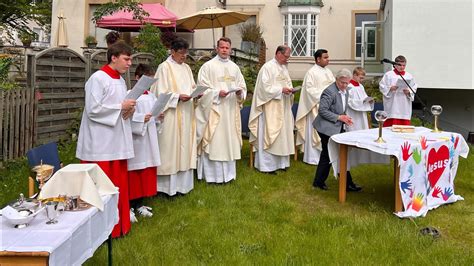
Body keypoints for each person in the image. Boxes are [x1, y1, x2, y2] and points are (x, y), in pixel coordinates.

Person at [76, 41, 135, 238]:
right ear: (114, 58)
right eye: (126, 59)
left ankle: (119, 227)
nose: (129, 64)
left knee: (117, 185)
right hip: (100, 144)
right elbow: (93, 110)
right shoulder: (98, 79)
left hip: (116, 142)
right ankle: (100, 232)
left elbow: (120, 106)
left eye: (130, 59)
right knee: (102, 187)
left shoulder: (120, 80)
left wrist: (129, 109)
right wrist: (121, 107)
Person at [196, 37, 247, 183]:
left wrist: (239, 93)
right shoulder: (208, 67)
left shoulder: (235, 68)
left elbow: (242, 86)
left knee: (228, 141)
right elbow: (202, 89)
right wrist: (217, 93)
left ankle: (228, 175)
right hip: (215, 110)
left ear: (230, 49)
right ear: (217, 49)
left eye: (227, 47)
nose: (225, 50)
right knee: (215, 141)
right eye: (222, 47)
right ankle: (212, 176)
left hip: (230, 110)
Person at [150, 38, 197, 196]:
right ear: (172, 51)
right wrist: (177, 97)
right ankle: (166, 188)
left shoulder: (187, 68)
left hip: (186, 112)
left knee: (184, 147)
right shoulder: (164, 68)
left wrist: (196, 92)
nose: (184, 56)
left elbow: (191, 86)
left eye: (186, 52)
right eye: (181, 53)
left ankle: (183, 186)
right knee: (170, 148)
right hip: (171, 114)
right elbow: (159, 92)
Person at [312, 68, 362, 192]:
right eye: (342, 82)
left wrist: (345, 118)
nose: (344, 85)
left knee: (338, 154)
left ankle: (343, 183)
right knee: (329, 154)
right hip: (325, 127)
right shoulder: (329, 92)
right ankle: (322, 182)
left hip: (337, 126)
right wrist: (340, 117)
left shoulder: (346, 90)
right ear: (336, 79)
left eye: (347, 83)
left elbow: (341, 108)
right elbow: (322, 111)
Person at [248, 45, 295, 173]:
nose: (287, 59)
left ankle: (281, 163)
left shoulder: (284, 69)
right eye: (286, 56)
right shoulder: (267, 68)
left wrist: (290, 90)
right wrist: (281, 90)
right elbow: (264, 89)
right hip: (270, 108)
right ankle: (267, 166)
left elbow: (288, 83)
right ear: (278, 53)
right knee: (269, 134)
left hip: (283, 106)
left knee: (282, 136)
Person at [127, 64, 161, 221]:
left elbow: (154, 117)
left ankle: (140, 204)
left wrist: (158, 118)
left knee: (146, 171)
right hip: (137, 141)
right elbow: (125, 117)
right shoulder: (130, 95)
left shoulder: (152, 96)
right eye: (145, 80)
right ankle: (128, 207)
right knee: (134, 173)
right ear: (137, 78)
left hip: (149, 140)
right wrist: (141, 118)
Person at [295, 49, 335, 165]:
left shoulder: (328, 72)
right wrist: (325, 96)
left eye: (328, 57)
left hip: (328, 107)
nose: (328, 59)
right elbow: (309, 90)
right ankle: (312, 158)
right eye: (325, 58)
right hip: (315, 106)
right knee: (315, 133)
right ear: (318, 59)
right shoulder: (311, 72)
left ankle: (326, 157)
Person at [379, 55, 418, 127]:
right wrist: (390, 88)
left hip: (404, 106)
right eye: (400, 65)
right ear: (395, 64)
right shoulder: (388, 75)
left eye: (404, 65)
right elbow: (382, 86)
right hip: (393, 105)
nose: (402, 67)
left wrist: (409, 91)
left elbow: (414, 87)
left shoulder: (409, 76)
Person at [346, 67, 373, 131]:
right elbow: (348, 101)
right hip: (353, 113)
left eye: (363, 78)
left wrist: (369, 101)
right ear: (354, 75)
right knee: (354, 128)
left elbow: (365, 97)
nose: (362, 80)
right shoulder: (349, 86)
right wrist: (361, 102)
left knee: (363, 127)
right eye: (361, 78)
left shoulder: (361, 86)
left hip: (362, 112)